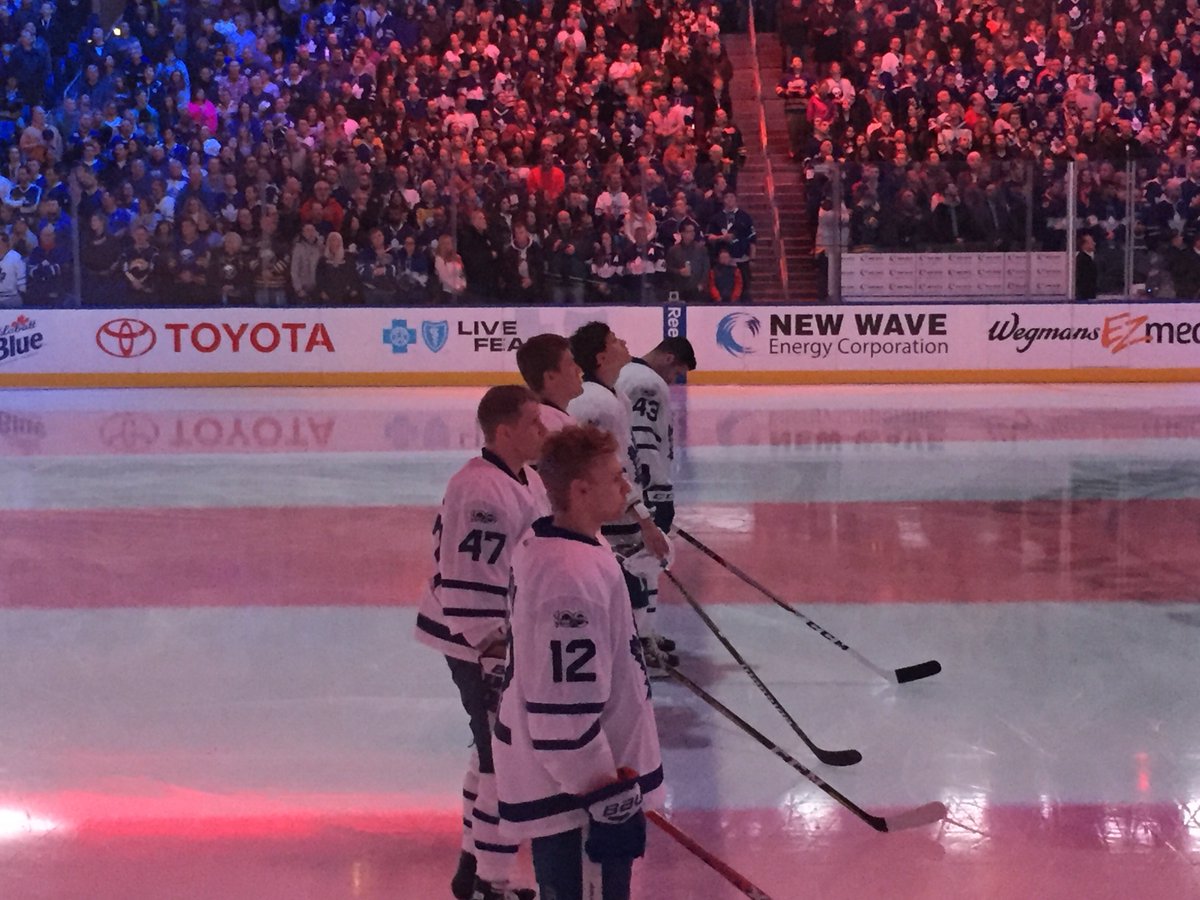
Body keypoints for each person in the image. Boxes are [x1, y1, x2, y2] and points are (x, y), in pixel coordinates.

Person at [495, 424, 665, 900]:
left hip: (582, 789)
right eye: (615, 478)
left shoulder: (565, 541)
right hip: (577, 800)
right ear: (580, 489)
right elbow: (562, 712)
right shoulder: (569, 580)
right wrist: (603, 798)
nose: (626, 487)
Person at [414, 385, 549, 900]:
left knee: (487, 753)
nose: (543, 431)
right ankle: (490, 882)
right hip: (478, 641)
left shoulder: (522, 477)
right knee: (502, 759)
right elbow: (469, 577)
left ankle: (471, 873)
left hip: (495, 636)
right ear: (505, 431)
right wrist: (493, 648)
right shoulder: (482, 490)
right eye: (534, 424)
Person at [566, 322, 672, 667]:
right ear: (600, 356)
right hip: (610, 512)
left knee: (637, 577)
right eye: (614, 340)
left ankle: (638, 643)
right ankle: (630, 653)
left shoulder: (615, 395)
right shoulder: (594, 403)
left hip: (623, 506)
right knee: (626, 582)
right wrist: (642, 514)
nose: (623, 341)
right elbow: (607, 467)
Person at [615, 337, 697, 662]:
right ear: (668, 357)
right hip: (648, 489)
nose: (674, 380)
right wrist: (649, 498)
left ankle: (645, 631)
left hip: (637, 489)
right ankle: (642, 639)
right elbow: (644, 442)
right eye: (676, 372)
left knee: (643, 565)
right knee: (644, 565)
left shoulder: (625, 375)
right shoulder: (648, 382)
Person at [516, 333, 584, 433]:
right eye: (570, 364)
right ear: (550, 377)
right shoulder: (550, 425)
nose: (578, 369)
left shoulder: (549, 418)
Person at [1075, 233, 1098, 301]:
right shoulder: (1081, 259)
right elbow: (1084, 280)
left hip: (1092, 295)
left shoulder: (1094, 257)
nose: (1094, 243)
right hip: (1085, 296)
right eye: (1091, 242)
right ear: (1084, 245)